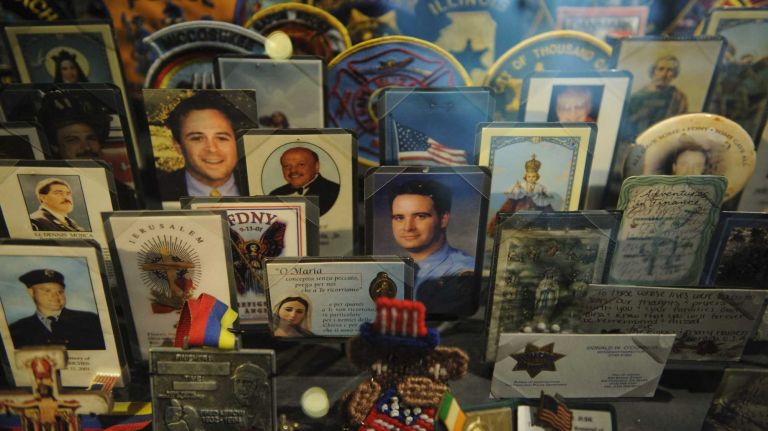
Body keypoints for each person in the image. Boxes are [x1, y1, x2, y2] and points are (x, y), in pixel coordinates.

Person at [37, 91, 139, 209]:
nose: (86, 147)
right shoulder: (44, 192)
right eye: (73, 140)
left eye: (91, 138)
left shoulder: (122, 193)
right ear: (55, 147)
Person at [388, 180, 475, 314]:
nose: (408, 227)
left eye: (420, 216)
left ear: (443, 219)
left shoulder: (462, 271)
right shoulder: (390, 269)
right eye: (399, 218)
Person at [158, 92, 248, 201]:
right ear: (178, 146)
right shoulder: (158, 192)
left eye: (221, 138)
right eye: (197, 138)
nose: (212, 148)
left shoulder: (264, 187)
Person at [8, 269, 105, 350]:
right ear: (31, 292)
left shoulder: (91, 321)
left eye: (60, 291)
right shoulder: (16, 330)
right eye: (47, 291)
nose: (55, 296)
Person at [487, 155, 556, 236]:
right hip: (522, 202)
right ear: (526, 177)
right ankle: (497, 229)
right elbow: (512, 192)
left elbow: (547, 194)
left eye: (533, 176)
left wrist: (544, 194)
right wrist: (518, 188)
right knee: (509, 208)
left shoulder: (540, 186)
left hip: (537, 204)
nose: (531, 178)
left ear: (537, 177)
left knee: (547, 211)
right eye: (529, 176)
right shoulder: (522, 185)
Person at [627, 55, 689, 137]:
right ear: (653, 71)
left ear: (674, 74)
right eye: (661, 69)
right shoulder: (636, 97)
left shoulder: (679, 98)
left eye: (669, 70)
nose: (664, 74)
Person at [269, 147, 340, 216]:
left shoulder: (335, 192)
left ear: (316, 166)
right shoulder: (275, 195)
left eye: (301, 165)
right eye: (287, 166)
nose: (293, 170)